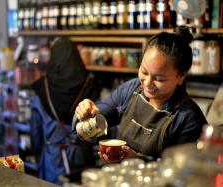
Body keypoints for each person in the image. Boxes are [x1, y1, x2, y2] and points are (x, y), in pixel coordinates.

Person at [73, 26, 207, 162]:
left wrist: (139, 162)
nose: (147, 83)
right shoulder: (132, 89)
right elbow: (102, 113)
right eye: (144, 72)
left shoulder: (189, 119)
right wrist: (86, 113)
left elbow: (183, 173)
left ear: (181, 76)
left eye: (159, 79)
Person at [30, 37, 101, 184]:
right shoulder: (90, 88)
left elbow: (35, 134)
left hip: (52, 160)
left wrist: (38, 155)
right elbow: (98, 131)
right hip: (81, 158)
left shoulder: (43, 91)